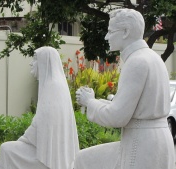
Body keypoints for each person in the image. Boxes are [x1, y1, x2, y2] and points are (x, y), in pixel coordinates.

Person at [75, 8, 175, 169]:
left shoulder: (136, 61)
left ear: (126, 32)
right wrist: (102, 102)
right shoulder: (153, 58)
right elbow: (136, 108)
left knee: (84, 160)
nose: (107, 36)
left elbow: (117, 117)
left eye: (110, 31)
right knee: (84, 159)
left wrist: (90, 102)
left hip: (142, 144)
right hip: (156, 140)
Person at [0, 46, 79, 169]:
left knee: (6, 149)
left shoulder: (52, 87)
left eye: (35, 59)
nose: (31, 64)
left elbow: (42, 123)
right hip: (49, 150)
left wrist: (24, 139)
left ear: (44, 62)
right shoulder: (55, 85)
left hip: (50, 157)